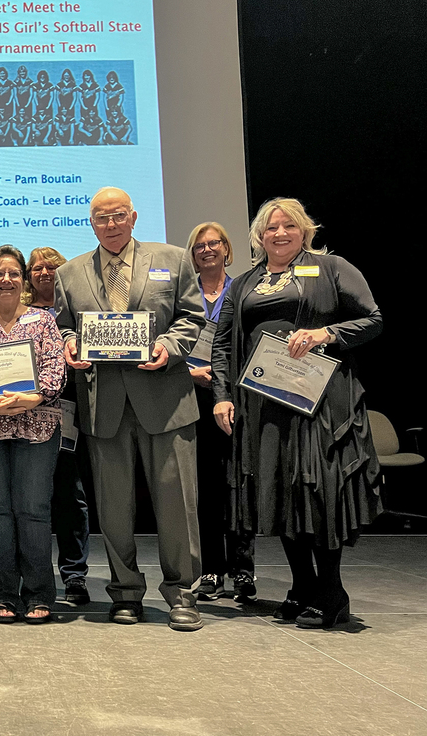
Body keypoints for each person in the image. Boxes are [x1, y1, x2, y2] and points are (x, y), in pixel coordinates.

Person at [211, 198, 383, 629]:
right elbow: (222, 344)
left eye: (289, 225)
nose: (280, 233)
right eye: (272, 228)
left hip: (317, 404)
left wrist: (327, 332)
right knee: (280, 494)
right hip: (263, 404)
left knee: (316, 492)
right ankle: (302, 586)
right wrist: (221, 395)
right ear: (259, 236)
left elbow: (373, 319)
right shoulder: (244, 282)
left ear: (304, 230)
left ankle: (332, 591)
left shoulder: (332, 268)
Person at [55, 186, 206, 631]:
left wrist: (167, 345)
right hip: (104, 406)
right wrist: (68, 345)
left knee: (177, 505)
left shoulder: (173, 259)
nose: (110, 224)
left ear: (134, 217)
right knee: (114, 509)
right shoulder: (70, 273)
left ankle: (183, 594)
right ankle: (124, 594)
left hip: (166, 401)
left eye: (118, 215)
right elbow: (64, 326)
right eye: (101, 218)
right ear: (92, 223)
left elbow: (192, 316)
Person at [0, 245, 66, 623]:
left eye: (13, 273)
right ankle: (4, 593)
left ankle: (39, 592)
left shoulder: (42, 321)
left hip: (37, 427)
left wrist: (33, 397)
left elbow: (56, 370)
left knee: (33, 512)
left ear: (23, 280)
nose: (6, 280)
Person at [185, 223, 256, 603]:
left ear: (227, 249)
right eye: (199, 246)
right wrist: (188, 372)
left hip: (236, 396)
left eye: (214, 244)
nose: (207, 250)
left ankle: (243, 570)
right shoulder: (183, 291)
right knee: (207, 487)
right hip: (192, 399)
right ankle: (211, 568)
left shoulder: (244, 289)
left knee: (239, 483)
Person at [25, 247, 91, 605]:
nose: (44, 272)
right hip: (25, 412)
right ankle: (32, 574)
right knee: (31, 498)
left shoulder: (78, 313)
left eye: (51, 266)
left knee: (70, 494)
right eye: (36, 268)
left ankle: (75, 575)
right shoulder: (18, 314)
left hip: (69, 410)